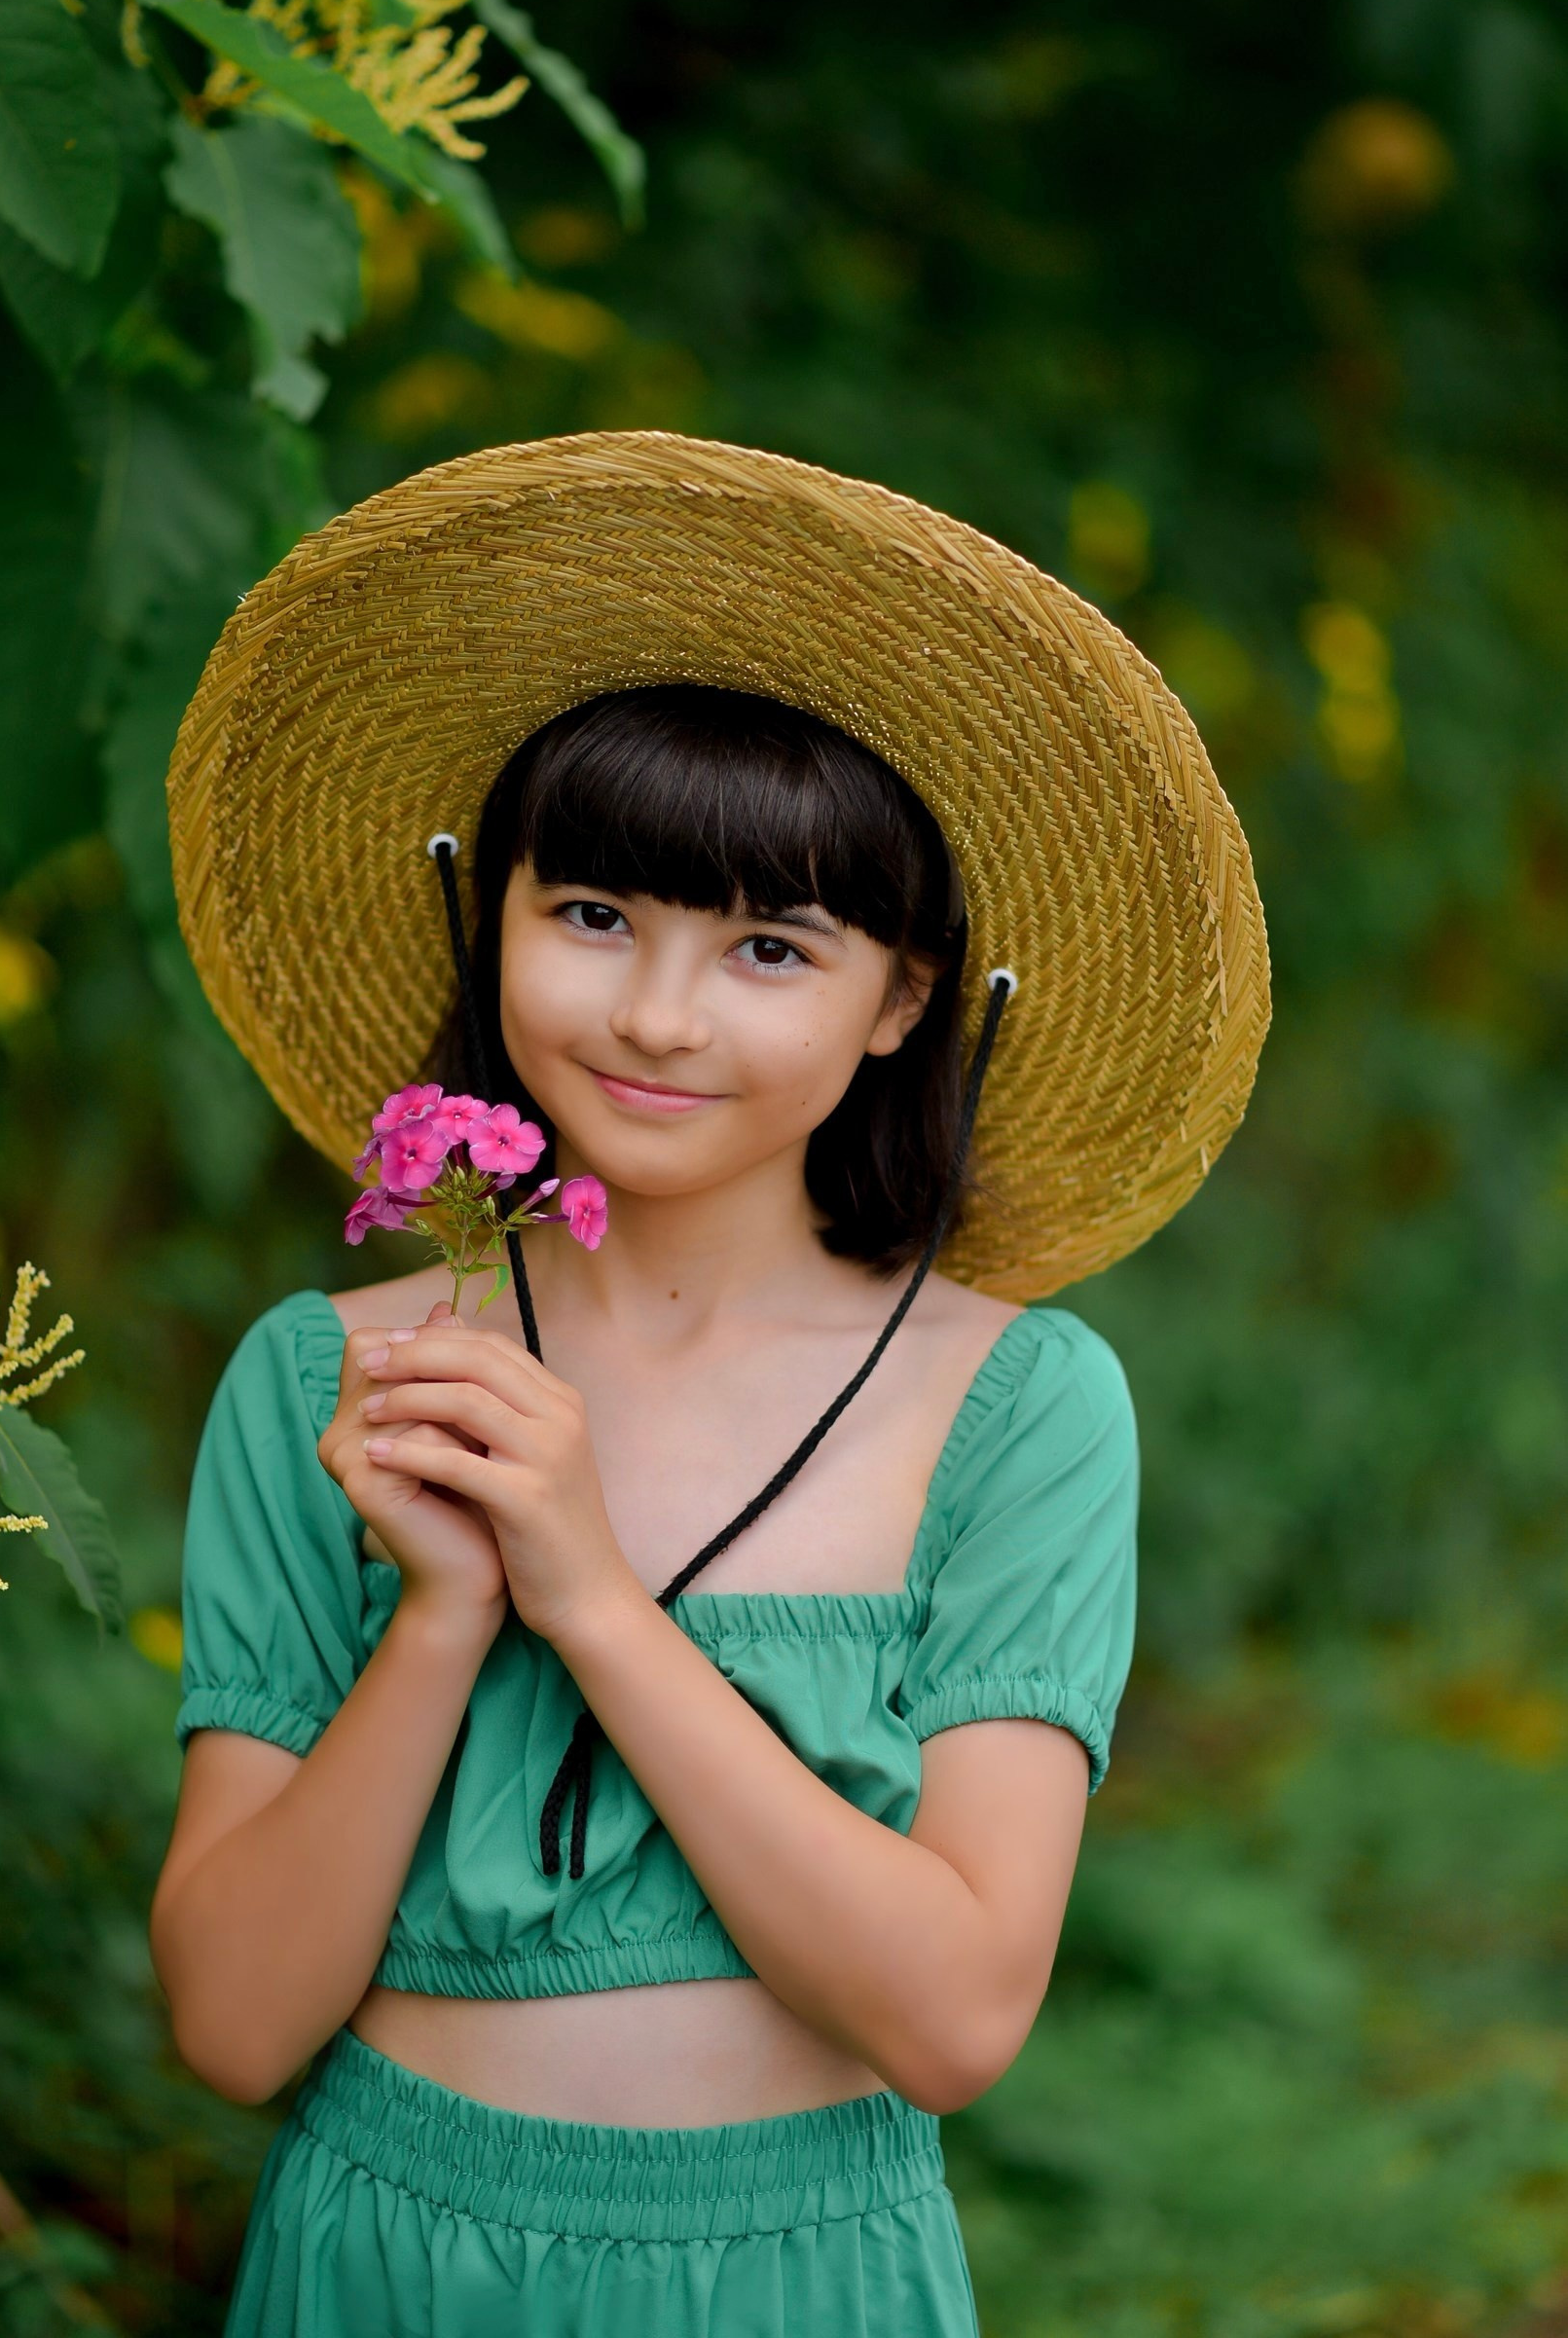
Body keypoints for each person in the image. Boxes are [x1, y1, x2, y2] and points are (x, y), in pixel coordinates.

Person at [150, 432, 1269, 2336]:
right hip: (380, 2257)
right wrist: (441, 1615)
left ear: (905, 994)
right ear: (485, 907)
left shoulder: (1015, 1404)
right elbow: (237, 2022)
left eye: (770, 946)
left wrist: (587, 1592)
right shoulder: (324, 1379)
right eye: (590, 914)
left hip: (799, 2272)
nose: (661, 1015)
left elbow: (953, 2014)